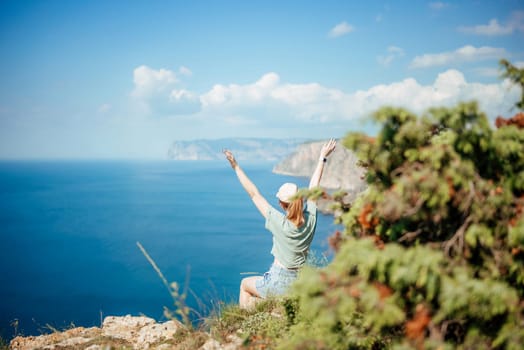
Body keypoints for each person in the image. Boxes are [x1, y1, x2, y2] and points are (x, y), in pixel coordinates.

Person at [223, 139, 337, 309]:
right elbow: (314, 187)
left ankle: (247, 322)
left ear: (282, 204)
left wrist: (236, 166)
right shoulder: (311, 217)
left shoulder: (279, 223)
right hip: (298, 283)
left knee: (244, 285)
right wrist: (322, 157)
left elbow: (254, 194)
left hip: (278, 282)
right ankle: (262, 307)